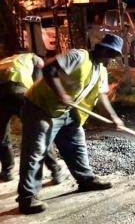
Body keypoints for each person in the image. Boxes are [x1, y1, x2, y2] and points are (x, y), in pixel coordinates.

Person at [17, 34, 125, 214]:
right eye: (113, 56)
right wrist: (61, 93)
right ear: (105, 51)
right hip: (41, 107)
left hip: (66, 111)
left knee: (76, 143)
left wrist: (114, 118)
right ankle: (27, 197)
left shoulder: (100, 70)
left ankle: (86, 180)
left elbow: (101, 96)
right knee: (36, 151)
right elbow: (49, 68)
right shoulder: (78, 56)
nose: (112, 60)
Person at [0, 53, 67, 184]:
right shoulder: (34, 58)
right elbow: (38, 83)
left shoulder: (5, 61)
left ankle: (7, 171)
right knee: (39, 133)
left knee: (1, 136)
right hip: (19, 91)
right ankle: (56, 171)